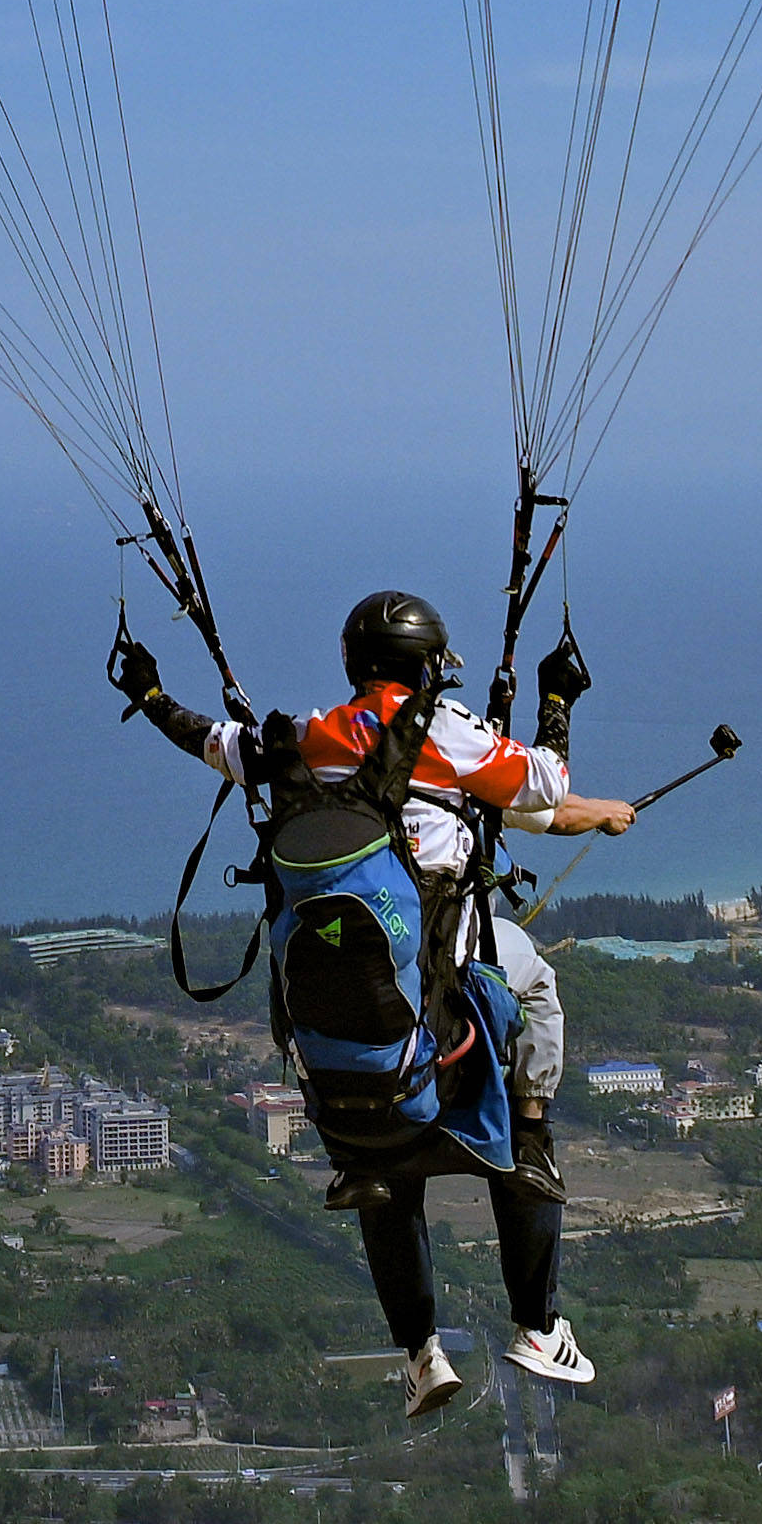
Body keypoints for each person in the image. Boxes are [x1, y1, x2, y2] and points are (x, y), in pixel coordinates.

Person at [116, 584, 639, 1416]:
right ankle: (530, 1139)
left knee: (382, 1167)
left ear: (355, 663)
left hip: (326, 1015)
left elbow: (210, 742)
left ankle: (422, 1355)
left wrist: (146, 693)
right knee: (537, 981)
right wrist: (556, 700)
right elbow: (544, 781)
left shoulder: (309, 737)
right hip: (441, 959)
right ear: (429, 664)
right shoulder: (444, 731)